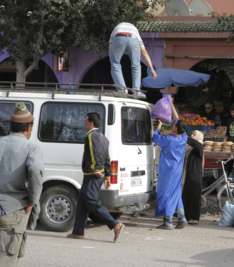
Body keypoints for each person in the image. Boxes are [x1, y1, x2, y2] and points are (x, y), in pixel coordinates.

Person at [67, 112, 125, 243]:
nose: (84, 123)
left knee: (92, 202)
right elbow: (107, 157)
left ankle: (115, 224)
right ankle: (78, 232)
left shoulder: (92, 136)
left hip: (93, 175)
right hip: (94, 175)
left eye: (86, 121)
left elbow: (96, 154)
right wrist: (107, 176)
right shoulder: (103, 137)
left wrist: (96, 169)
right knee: (82, 203)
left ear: (91, 123)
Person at [0, 102, 44, 266]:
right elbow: (35, 172)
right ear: (29, 128)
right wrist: (33, 201)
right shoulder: (31, 148)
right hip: (12, 210)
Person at [152, 98, 188, 230]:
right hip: (178, 170)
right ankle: (182, 217)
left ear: (176, 128)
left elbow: (155, 138)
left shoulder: (168, 139)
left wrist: (159, 126)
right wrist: (171, 103)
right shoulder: (183, 137)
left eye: (174, 124)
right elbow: (176, 117)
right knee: (176, 193)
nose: (173, 123)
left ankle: (167, 221)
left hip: (168, 171)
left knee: (166, 193)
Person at [109, 22, 157, 95]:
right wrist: (151, 68)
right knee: (136, 65)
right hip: (134, 38)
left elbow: (110, 46)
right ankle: (136, 91)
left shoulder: (116, 28)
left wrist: (113, 59)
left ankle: (122, 90)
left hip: (119, 36)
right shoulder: (136, 31)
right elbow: (144, 52)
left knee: (115, 65)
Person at [182, 130, 204, 225]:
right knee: (186, 195)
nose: (192, 135)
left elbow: (195, 143)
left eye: (194, 134)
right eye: (191, 134)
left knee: (195, 196)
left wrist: (185, 137)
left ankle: (195, 217)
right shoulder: (188, 148)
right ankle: (187, 216)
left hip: (195, 175)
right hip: (187, 174)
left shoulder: (199, 147)